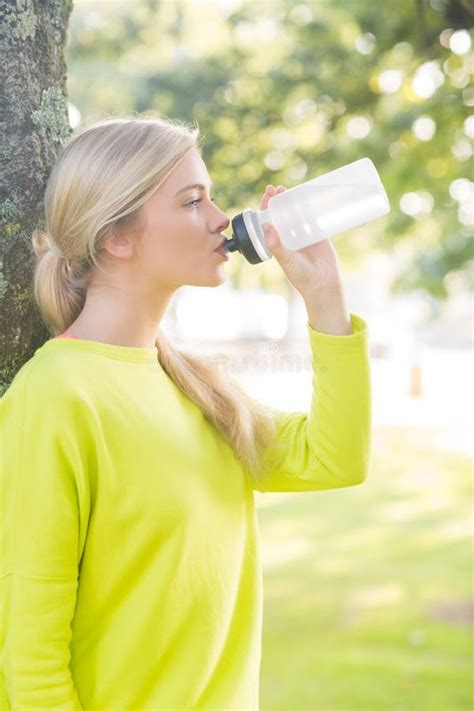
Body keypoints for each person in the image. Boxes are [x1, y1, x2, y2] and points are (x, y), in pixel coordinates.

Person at [0, 115, 372, 710]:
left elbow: (336, 458)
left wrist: (324, 296)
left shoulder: (196, 386)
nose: (222, 219)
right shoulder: (56, 398)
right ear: (117, 237)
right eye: (193, 201)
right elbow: (29, 657)